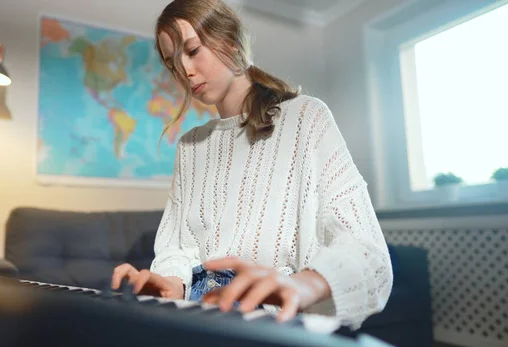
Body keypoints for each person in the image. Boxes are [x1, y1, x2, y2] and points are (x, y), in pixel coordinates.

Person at [111, 0, 393, 330]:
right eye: (173, 63)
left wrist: (303, 285)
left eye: (193, 50)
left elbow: (368, 253)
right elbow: (176, 247)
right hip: (201, 320)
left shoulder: (307, 117)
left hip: (280, 322)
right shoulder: (189, 146)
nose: (185, 71)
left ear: (229, 41)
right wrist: (173, 283)